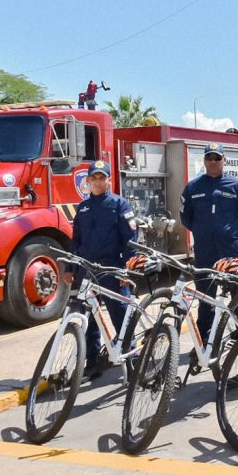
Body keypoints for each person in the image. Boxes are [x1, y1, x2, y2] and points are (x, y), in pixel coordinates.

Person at [64, 160, 137, 381]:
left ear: (109, 180)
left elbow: (131, 240)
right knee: (89, 318)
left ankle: (132, 360)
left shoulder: (119, 205)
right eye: (93, 178)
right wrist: (70, 267)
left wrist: (127, 270)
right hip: (87, 270)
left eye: (101, 178)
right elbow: (76, 241)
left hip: (112, 268)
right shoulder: (83, 208)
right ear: (87, 181)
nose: (97, 182)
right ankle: (93, 363)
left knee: (120, 314)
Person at [180, 143, 238, 339]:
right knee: (205, 296)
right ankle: (205, 339)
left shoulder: (236, 186)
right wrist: (202, 230)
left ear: (224, 160)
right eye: (209, 158)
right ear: (204, 161)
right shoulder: (193, 187)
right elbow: (186, 217)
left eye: (217, 158)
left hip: (232, 250)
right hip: (205, 251)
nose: (213, 162)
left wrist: (232, 233)